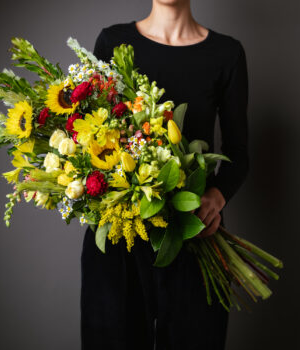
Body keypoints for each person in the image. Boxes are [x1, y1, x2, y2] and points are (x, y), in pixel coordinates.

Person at [80, 0, 249, 349]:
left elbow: (238, 155)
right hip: (120, 233)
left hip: (194, 232)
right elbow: (89, 136)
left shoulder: (226, 53)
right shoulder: (113, 43)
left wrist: (214, 199)